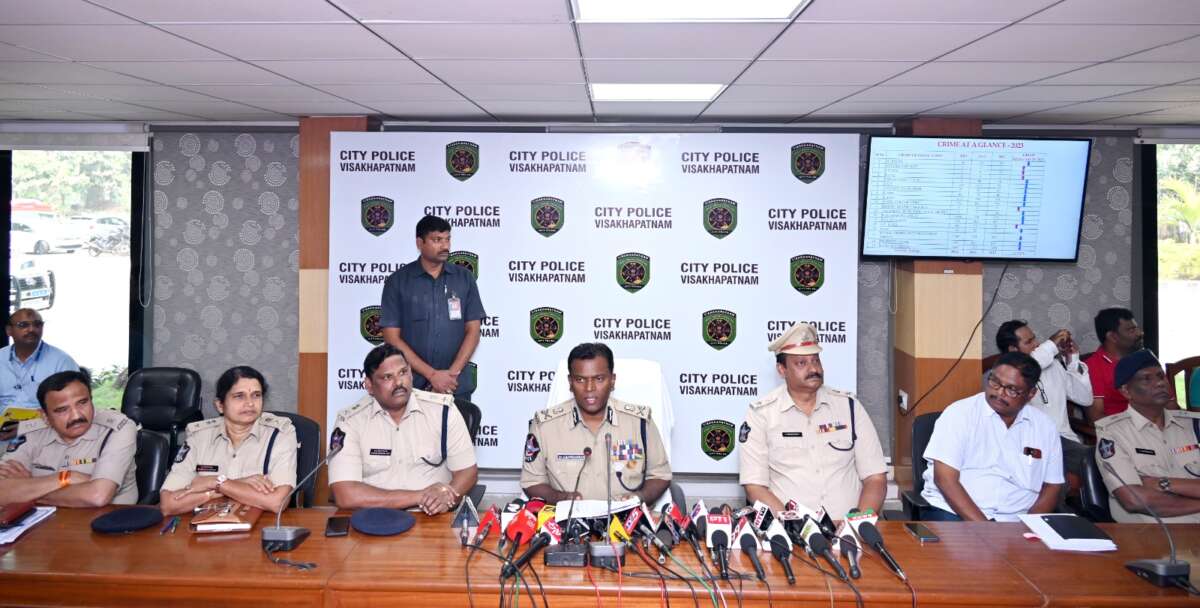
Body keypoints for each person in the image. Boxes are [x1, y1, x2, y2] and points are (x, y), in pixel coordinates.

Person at [739, 322, 886, 518]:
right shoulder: (761, 414)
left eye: (816, 360)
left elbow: (875, 477)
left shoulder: (849, 407)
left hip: (849, 527)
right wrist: (796, 525)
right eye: (801, 363)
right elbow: (754, 487)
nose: (813, 368)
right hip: (791, 529)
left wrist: (859, 521)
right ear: (782, 370)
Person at [329, 343, 477, 515]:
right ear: (369, 385)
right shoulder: (349, 421)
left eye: (403, 372)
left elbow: (467, 472)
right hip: (373, 517)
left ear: (411, 374)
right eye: (387, 377)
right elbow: (345, 495)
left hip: (431, 517)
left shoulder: (443, 410)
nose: (399, 382)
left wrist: (446, 496)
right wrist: (421, 497)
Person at [522, 342, 672, 504]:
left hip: (627, 518)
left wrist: (638, 498)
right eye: (580, 379)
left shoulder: (639, 422)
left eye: (599, 379)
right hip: (567, 517)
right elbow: (532, 481)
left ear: (612, 381)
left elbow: (660, 475)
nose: (589, 388)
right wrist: (562, 498)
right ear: (570, 383)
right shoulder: (544, 426)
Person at [921, 352, 1063, 521]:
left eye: (1011, 389)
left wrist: (1030, 526)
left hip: (1016, 521)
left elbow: (1052, 486)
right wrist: (986, 529)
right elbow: (945, 479)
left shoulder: (1045, 427)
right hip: (955, 513)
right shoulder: (959, 414)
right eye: (995, 382)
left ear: (1031, 394)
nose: (999, 393)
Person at [158, 366, 297, 516]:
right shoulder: (199, 436)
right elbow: (168, 504)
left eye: (256, 395)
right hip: (204, 523)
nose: (250, 403)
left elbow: (277, 502)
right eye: (239, 396)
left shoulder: (281, 434)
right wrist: (236, 484)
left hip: (261, 524)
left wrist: (216, 483)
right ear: (220, 405)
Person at [380, 215, 485, 400]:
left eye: (447, 239)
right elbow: (391, 338)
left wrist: (450, 376)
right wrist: (432, 375)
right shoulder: (398, 282)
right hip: (411, 387)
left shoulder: (464, 279)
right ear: (419, 243)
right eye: (437, 240)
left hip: (455, 386)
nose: (445, 246)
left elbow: (473, 331)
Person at [0, 370, 137, 506]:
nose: (76, 416)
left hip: (110, 517)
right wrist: (68, 477)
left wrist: (28, 489)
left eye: (82, 403)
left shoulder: (117, 429)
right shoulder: (33, 433)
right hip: (46, 519)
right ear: (45, 416)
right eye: (62, 410)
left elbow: (97, 496)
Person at [1094, 349, 1200, 523]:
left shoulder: (1195, 425)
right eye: (1146, 379)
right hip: (1154, 534)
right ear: (1126, 391)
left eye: (1161, 376)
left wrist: (1163, 483)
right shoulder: (1113, 433)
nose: (1160, 383)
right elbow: (1134, 500)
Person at [996, 321, 1092, 480]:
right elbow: (1026, 369)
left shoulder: (1053, 364)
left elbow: (1085, 399)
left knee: (1097, 461)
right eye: (1029, 342)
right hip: (1030, 443)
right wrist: (1051, 345)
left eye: (1034, 338)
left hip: (1065, 441)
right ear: (1013, 349)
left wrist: (1072, 361)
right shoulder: (1008, 375)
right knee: (1056, 471)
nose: (1036, 344)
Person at [0, 308, 79, 410]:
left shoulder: (61, 361)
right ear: (9, 330)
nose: (31, 329)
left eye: (37, 324)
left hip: (44, 419)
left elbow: (74, 400)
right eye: (23, 325)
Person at [1085, 307, 1144, 422]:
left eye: (1137, 328)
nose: (1140, 333)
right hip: (1123, 429)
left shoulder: (1145, 358)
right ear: (1112, 337)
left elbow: (1170, 404)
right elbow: (1096, 417)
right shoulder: (1093, 367)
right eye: (1131, 330)